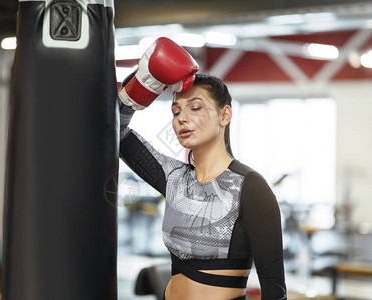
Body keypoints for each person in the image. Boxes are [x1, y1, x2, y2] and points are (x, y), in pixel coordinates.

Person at [118, 37, 287, 300]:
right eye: (176, 111)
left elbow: (275, 291)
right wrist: (141, 84)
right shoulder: (173, 178)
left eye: (195, 107)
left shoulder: (250, 188)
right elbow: (114, 132)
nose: (182, 118)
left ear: (225, 115)